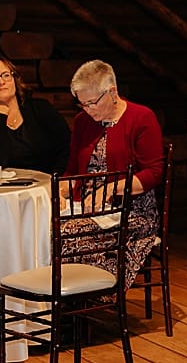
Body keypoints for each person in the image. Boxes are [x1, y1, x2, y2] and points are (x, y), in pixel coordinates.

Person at [64, 59, 166, 289]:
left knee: (69, 235)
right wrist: (62, 189)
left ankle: (92, 298)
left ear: (112, 91)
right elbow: (72, 170)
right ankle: (73, 310)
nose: (87, 110)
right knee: (49, 230)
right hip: (88, 208)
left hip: (133, 211)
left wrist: (110, 189)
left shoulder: (141, 118)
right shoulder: (83, 122)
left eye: (92, 103)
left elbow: (154, 173)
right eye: (82, 104)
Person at [0, 56, 69, 176]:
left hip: (46, 186)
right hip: (0, 191)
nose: (1, 82)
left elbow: (66, 147)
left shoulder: (41, 109)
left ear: (14, 80)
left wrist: (57, 179)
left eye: (6, 75)